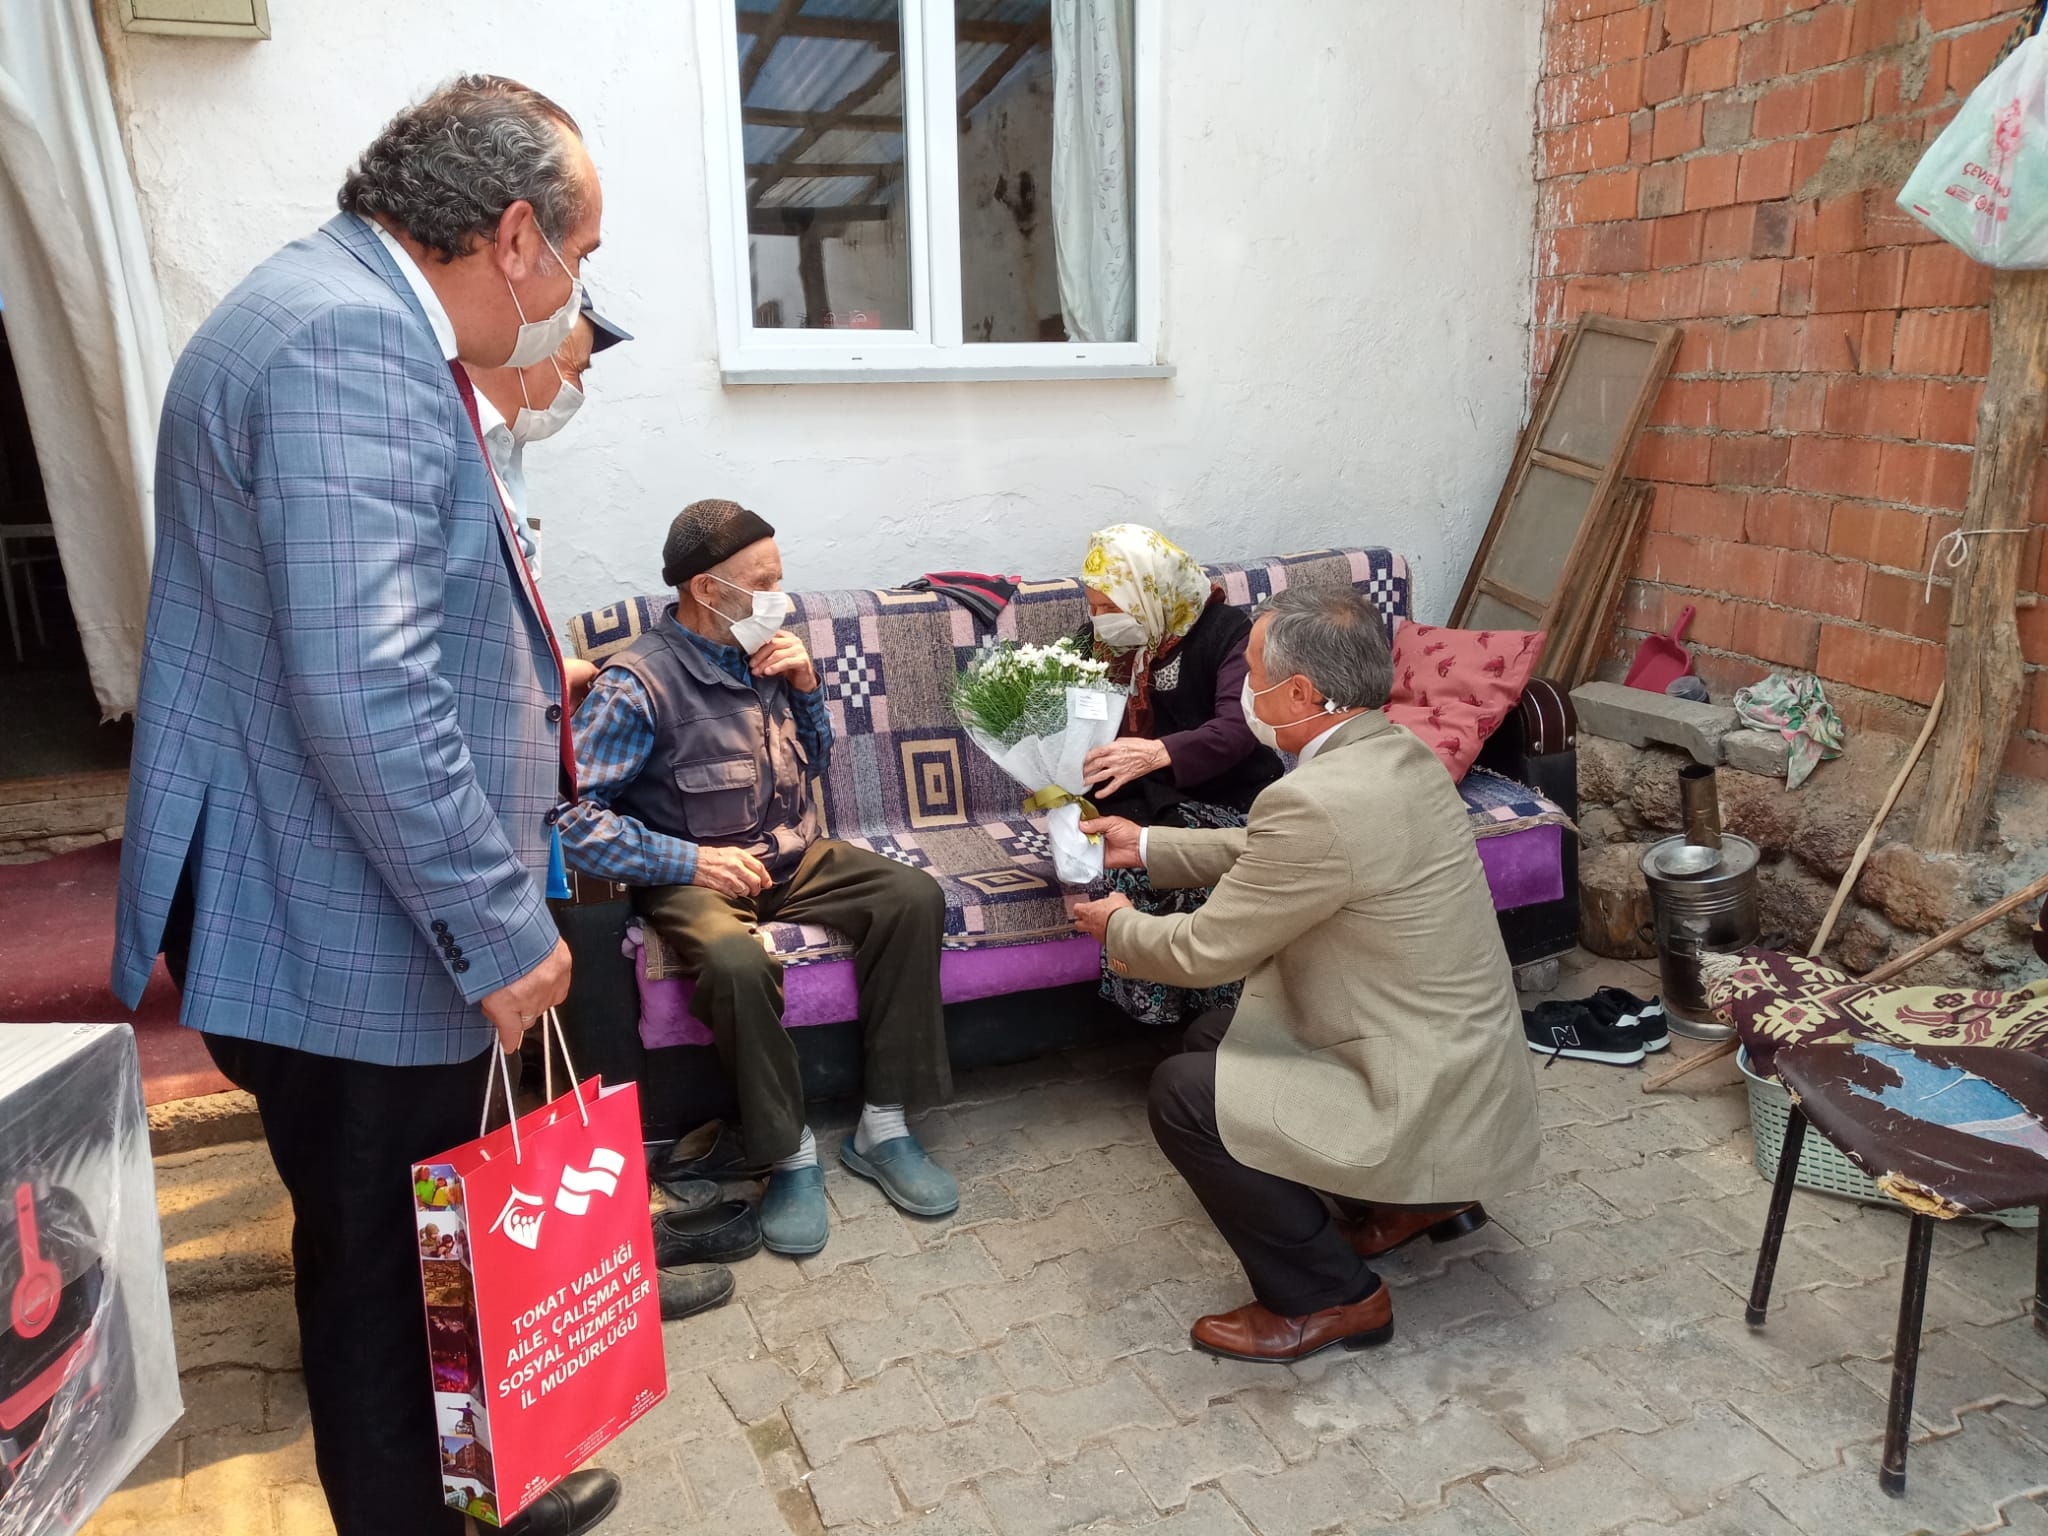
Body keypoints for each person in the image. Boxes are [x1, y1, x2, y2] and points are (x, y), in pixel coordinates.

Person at [112, 77, 619, 1536]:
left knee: (414, 1260)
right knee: (387, 1290)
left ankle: (476, 1495)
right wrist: (497, 922)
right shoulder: (352, 341)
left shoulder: (326, 304)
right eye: (580, 260)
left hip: (329, 887)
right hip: (344, 920)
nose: (576, 298)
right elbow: (369, 686)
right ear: (514, 237)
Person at [1072, 585, 1541, 1364]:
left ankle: (1329, 1298)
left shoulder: (1314, 797)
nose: (1245, 691)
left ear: (1296, 693)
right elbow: (1286, 852)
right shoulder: (1395, 754)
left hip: (1415, 1082)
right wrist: (1148, 847)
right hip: (1457, 1062)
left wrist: (1119, 925)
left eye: (1251, 673)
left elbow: (1201, 953)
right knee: (1222, 1033)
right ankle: (1417, 1201)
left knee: (1186, 1096)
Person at [557, 500, 956, 1257]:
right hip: (694, 873)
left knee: (911, 896)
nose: (779, 595)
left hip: (789, 855)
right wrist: (689, 862)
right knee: (737, 959)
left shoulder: (763, 649)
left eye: (779, 577)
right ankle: (790, 1153)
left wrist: (806, 686)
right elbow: (570, 821)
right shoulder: (637, 685)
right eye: (762, 581)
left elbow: (815, 760)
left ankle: (883, 1126)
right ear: (707, 589)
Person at [1072, 525, 1281, 1027]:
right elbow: (1067, 718)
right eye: (1094, 607)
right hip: (1150, 797)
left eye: (1110, 608)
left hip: (1230, 797)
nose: (1100, 621)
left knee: (1173, 864)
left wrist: (1155, 753)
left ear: (1151, 592)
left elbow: (1239, 728)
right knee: (1118, 849)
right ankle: (1152, 1021)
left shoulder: (1227, 633)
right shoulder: (1102, 646)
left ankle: (1222, 1023)